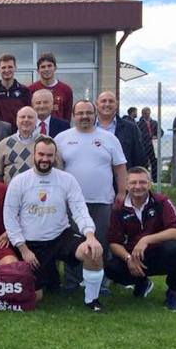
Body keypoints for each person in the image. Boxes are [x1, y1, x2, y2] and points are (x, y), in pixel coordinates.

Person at [4, 137, 105, 311]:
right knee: (35, 297)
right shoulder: (19, 181)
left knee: (93, 251)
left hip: (60, 237)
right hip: (32, 244)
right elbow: (10, 217)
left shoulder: (67, 180)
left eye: (49, 155)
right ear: (34, 155)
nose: (45, 159)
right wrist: (23, 249)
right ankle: (48, 279)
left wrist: (90, 235)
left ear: (55, 156)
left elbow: (79, 209)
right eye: (41, 154)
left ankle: (92, 300)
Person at [55, 100, 128, 293]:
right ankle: (72, 282)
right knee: (73, 242)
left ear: (95, 115)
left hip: (102, 200)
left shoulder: (109, 138)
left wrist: (122, 192)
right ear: (73, 116)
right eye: (80, 113)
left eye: (88, 113)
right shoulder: (62, 138)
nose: (84, 116)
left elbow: (120, 168)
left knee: (101, 241)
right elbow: (55, 169)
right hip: (71, 202)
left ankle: (99, 282)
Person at [105, 167, 176, 311]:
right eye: (133, 183)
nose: (138, 187)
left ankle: (174, 292)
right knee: (111, 268)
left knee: (174, 248)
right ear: (127, 185)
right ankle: (141, 282)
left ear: (149, 184)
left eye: (142, 182)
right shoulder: (118, 209)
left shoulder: (162, 201)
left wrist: (146, 240)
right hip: (135, 256)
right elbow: (114, 242)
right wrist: (128, 259)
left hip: (159, 253)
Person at [0, 106, 61, 184]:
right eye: (22, 117)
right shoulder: (3, 144)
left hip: (41, 189)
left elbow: (58, 168)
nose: (26, 120)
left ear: (36, 121)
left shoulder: (48, 142)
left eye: (30, 117)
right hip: (12, 190)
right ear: (17, 120)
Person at [95, 91, 147, 169]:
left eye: (111, 101)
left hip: (123, 175)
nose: (107, 104)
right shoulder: (88, 128)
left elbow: (139, 158)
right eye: (103, 101)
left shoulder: (131, 128)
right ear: (96, 104)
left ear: (116, 104)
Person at [27, 53, 74, 122]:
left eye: (49, 66)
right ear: (38, 70)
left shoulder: (66, 90)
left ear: (55, 68)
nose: (46, 69)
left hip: (59, 128)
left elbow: (67, 116)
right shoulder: (30, 90)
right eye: (43, 67)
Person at [0, 53, 31, 129]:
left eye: (10, 67)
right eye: (3, 67)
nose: (7, 70)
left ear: (15, 68)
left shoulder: (25, 91)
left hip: (19, 132)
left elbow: (29, 114)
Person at [137, 107, 163, 181]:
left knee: (154, 161)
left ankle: (155, 178)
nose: (147, 115)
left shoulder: (154, 122)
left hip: (153, 145)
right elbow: (140, 134)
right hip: (144, 145)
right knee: (144, 162)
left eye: (148, 113)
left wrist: (157, 136)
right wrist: (150, 136)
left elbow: (161, 132)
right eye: (145, 113)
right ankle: (144, 178)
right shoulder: (139, 123)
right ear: (142, 114)